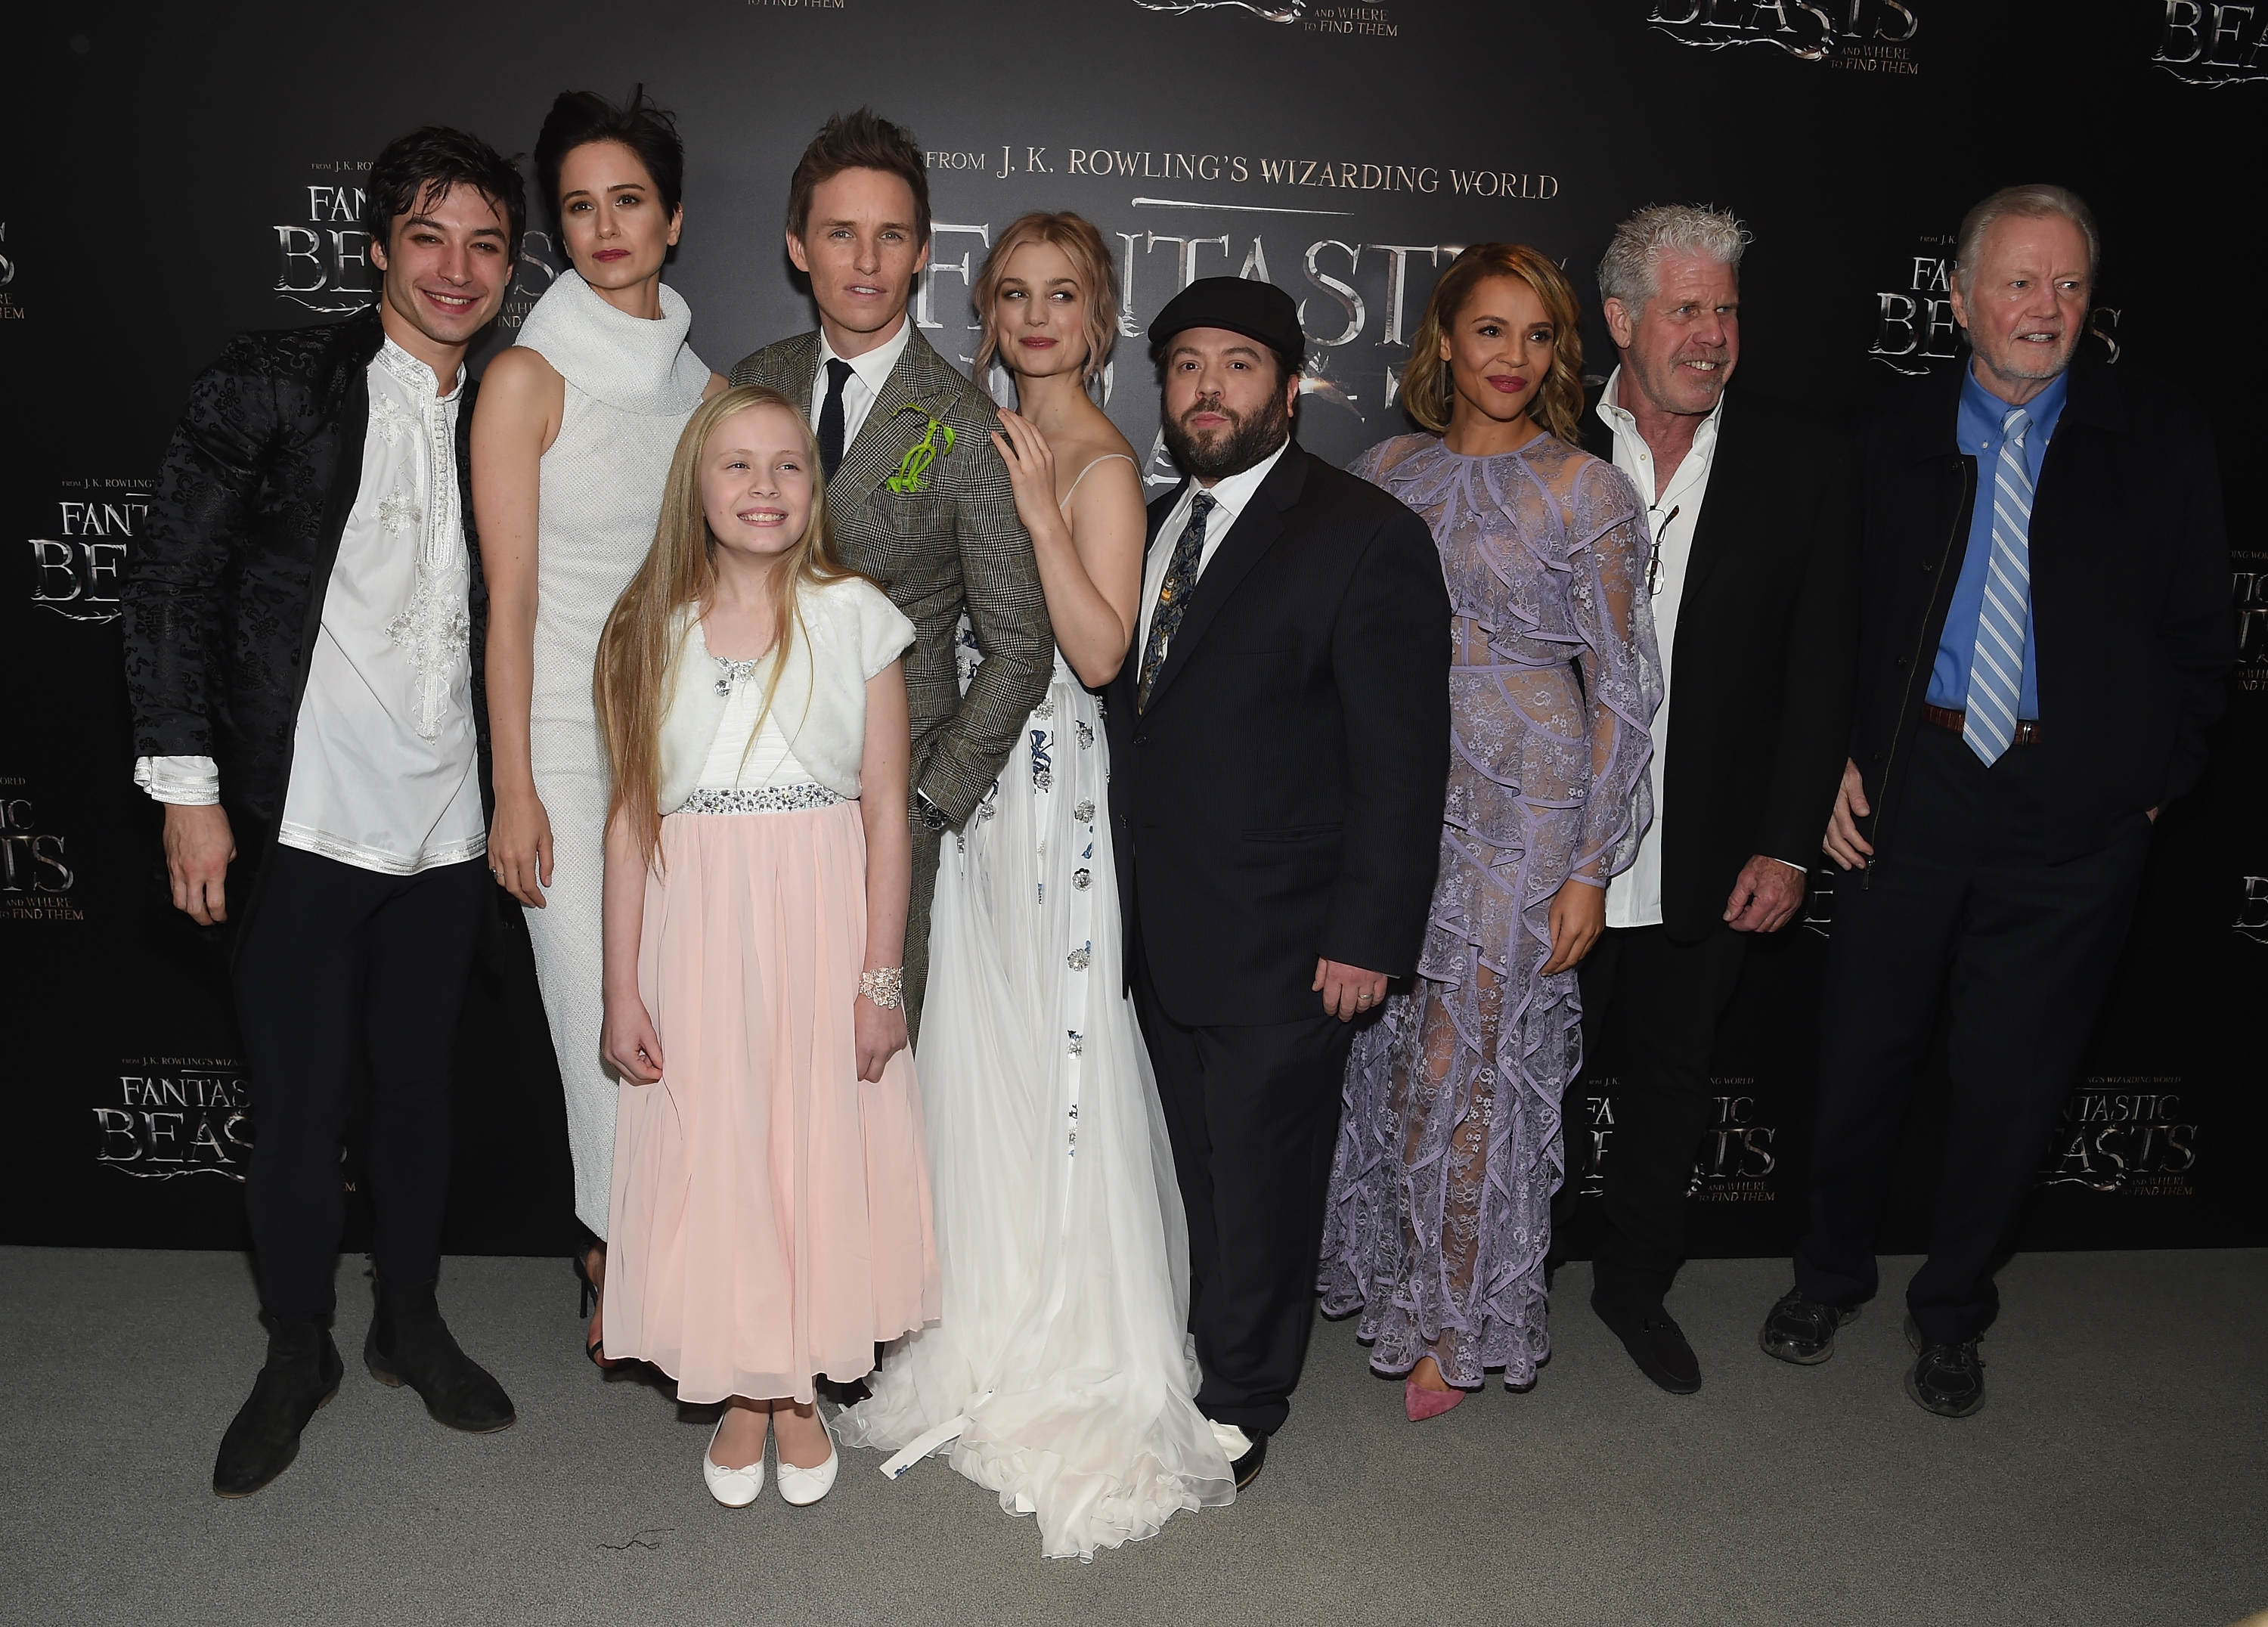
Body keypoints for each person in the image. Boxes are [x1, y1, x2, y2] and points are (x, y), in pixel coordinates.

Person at [1758, 185, 2230, 1416]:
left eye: (2069, 285)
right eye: (2019, 283)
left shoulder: (2161, 437)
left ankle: (1955, 1307)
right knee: (1861, 1059)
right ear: (1960, 299)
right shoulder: (1879, 438)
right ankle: (1828, 1275)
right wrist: (1831, 763)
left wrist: (2146, 788)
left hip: (2072, 820)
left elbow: (2199, 637)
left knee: (2017, 1081)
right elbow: (1822, 631)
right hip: (1909, 798)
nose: (2045, 308)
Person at [122, 127, 528, 1498]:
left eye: (484, 243)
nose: (456, 268)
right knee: (297, 1109)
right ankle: (297, 1347)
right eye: (428, 237)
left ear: (511, 263)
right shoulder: (277, 381)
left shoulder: (514, 408)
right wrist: (187, 792)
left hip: (448, 829)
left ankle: (409, 1322)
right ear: (373, 251)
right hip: (298, 819)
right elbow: (170, 582)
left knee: (419, 1091)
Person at [838, 213, 1235, 1557]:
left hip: (1052, 773)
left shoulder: (1107, 464)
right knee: (972, 1041)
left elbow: (1103, 647)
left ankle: (1057, 1326)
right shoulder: (959, 425)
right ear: (988, 315)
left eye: (1064, 295)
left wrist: (1034, 510)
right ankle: (974, 1306)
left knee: (1050, 1051)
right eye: (1014, 294)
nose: (1039, 315)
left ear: (1102, 317)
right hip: (960, 756)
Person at [1106, 276, 1453, 1488]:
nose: (1209, 387)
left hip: (1290, 936)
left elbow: (1403, 764)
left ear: (1291, 387)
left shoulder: (1365, 534)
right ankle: (1194, 1355)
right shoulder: (1147, 524)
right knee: (1190, 1170)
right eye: (1186, 364)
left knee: (1261, 1181)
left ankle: (1244, 1398)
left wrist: (1370, 934)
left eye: (1239, 365)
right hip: (1155, 925)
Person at [1318, 245, 1663, 1418]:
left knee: (1472, 1066)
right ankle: (1392, 1276)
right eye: (1489, 332)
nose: (1513, 358)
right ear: (1445, 343)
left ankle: (1458, 1321)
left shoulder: (1587, 491)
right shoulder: (1387, 470)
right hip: (1401, 790)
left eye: (1537, 336)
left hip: (1526, 803)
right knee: (1389, 1054)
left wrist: (1590, 867)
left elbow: (1623, 688)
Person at [593, 386, 938, 1507]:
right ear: (695, 484)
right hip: (697, 930)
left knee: (808, 1148)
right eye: (736, 466)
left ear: (815, 487)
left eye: (788, 466)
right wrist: (620, 991)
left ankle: (798, 1391)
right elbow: (631, 817)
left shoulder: (857, 617)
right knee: (727, 1148)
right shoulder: (652, 624)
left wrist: (881, 981)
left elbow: (888, 810)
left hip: (824, 919)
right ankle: (749, 1389)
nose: (763, 488)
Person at [1559, 206, 1857, 1395]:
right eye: (1688, 309)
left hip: (1709, 843)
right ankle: (1506, 1276)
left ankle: (1634, 1288)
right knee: (1539, 1071)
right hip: (1555, 845)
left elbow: (1822, 670)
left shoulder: (1804, 460)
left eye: (1728, 310)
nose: (1714, 335)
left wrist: (1789, 847)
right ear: (1623, 320)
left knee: (1674, 1078)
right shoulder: (1546, 437)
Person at [470, 87, 725, 1366]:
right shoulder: (525, 379)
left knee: (682, 1017)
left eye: (629, 200)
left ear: (673, 219)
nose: (605, 226)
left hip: (686, 759)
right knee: (598, 1020)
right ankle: (618, 1252)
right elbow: (507, 605)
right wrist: (515, 787)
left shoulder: (708, 389)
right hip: (567, 757)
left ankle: (668, 1255)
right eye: (577, 206)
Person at [728, 107, 1052, 1041]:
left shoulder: (964, 423)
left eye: (890, 236)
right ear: (799, 248)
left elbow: (1020, 644)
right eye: (841, 233)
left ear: (920, 255)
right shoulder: (753, 385)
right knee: (747, 1045)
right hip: (741, 791)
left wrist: (925, 801)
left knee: (861, 1075)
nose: (865, 260)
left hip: (882, 815)